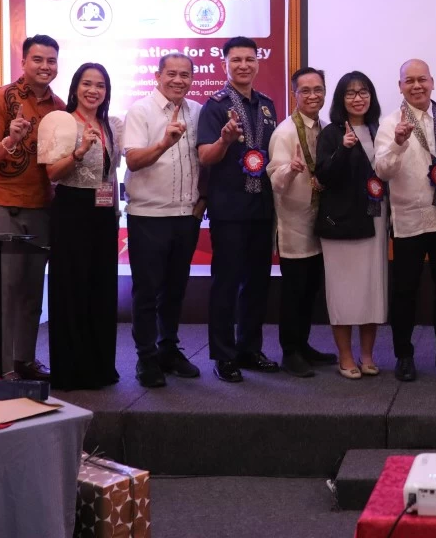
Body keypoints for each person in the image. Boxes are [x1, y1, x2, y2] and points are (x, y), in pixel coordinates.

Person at [0, 34, 64, 380]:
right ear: (24, 62)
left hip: (41, 204)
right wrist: (9, 139)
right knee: (7, 287)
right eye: (38, 60)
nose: (45, 67)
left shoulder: (59, 107)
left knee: (31, 288)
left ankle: (24, 360)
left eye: (51, 61)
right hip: (2, 202)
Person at [374, 59, 436, 382]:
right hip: (410, 221)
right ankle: (403, 354)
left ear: (432, 82)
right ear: (400, 86)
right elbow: (382, 171)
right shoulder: (389, 123)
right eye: (409, 81)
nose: (416, 86)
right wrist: (399, 143)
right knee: (406, 291)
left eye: (422, 80)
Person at [197, 36, 280, 383]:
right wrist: (225, 141)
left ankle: (249, 348)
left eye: (250, 59)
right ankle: (223, 355)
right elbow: (205, 156)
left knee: (258, 283)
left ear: (258, 62)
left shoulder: (267, 105)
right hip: (229, 208)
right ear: (224, 64)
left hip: (262, 206)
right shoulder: (214, 106)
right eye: (236, 60)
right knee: (227, 283)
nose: (244, 65)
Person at [37, 63, 122, 390]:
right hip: (71, 210)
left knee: (100, 289)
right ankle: (72, 371)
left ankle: (99, 367)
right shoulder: (61, 122)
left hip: (102, 213)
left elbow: (110, 174)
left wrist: (115, 211)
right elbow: (52, 174)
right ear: (75, 88)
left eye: (100, 85)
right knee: (71, 289)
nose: (93, 91)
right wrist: (79, 152)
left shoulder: (110, 124)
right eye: (87, 84)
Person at [123, 53, 203, 388]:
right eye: (171, 74)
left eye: (185, 75)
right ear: (158, 76)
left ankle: (168, 349)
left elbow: (205, 158)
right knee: (147, 292)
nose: (178, 81)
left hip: (186, 217)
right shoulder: (140, 111)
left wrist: (203, 203)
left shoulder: (197, 111)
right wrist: (163, 144)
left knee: (175, 290)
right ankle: (145, 357)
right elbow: (134, 160)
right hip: (149, 216)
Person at [266, 67, 339, 378]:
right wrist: (292, 169)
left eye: (318, 89)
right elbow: (274, 179)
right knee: (294, 290)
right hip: (293, 223)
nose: (313, 95)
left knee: (310, 289)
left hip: (318, 221)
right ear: (294, 94)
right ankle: (290, 352)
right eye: (305, 90)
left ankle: (304, 344)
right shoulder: (285, 132)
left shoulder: (324, 128)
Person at [315, 71, 388, 379]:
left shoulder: (379, 130)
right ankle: (345, 356)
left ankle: (368, 355)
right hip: (342, 222)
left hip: (375, 217)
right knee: (344, 291)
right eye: (350, 93)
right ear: (340, 100)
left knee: (372, 288)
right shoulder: (331, 132)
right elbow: (324, 176)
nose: (358, 98)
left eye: (364, 92)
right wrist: (344, 148)